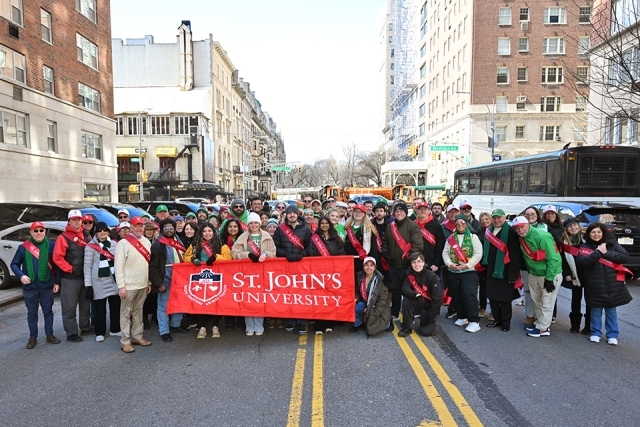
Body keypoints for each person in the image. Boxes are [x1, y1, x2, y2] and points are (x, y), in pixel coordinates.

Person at [576, 223, 632, 345]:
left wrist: (605, 252)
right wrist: (598, 253)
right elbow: (582, 262)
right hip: (595, 284)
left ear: (603, 233)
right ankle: (596, 333)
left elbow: (624, 257)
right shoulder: (584, 247)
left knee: (611, 311)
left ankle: (612, 335)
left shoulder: (612, 245)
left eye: (599, 232)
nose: (596, 234)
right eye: (593, 232)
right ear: (589, 234)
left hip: (613, 284)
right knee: (596, 310)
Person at [10, 222, 61, 349]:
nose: (39, 233)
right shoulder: (23, 247)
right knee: (32, 313)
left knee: (48, 311)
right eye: (36, 231)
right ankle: (33, 337)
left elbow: (56, 266)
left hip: (46, 285)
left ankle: (49, 335)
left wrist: (57, 282)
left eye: (41, 230)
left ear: (44, 231)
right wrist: (21, 275)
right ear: (31, 232)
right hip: (30, 287)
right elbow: (14, 264)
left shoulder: (51, 246)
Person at [511, 216, 562, 338]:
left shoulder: (542, 236)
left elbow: (553, 258)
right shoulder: (522, 238)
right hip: (534, 274)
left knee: (547, 302)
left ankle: (544, 329)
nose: (520, 230)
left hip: (549, 274)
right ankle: (539, 323)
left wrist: (549, 278)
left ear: (528, 224)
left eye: (522, 226)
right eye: (517, 228)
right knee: (537, 301)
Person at [231, 212, 277, 336]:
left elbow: (273, 252)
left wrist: (266, 254)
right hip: (246, 273)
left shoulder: (266, 235)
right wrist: (248, 255)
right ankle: (249, 326)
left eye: (256, 222)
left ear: (260, 223)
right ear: (248, 224)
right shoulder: (243, 237)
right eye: (251, 223)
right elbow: (234, 253)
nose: (254, 225)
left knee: (259, 299)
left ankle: (259, 325)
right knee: (248, 299)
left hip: (262, 272)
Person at [184, 222, 232, 339]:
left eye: (209, 231)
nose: (207, 233)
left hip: (216, 277)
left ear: (214, 232)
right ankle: (202, 327)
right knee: (201, 301)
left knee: (215, 301)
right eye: (204, 231)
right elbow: (186, 257)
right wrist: (192, 259)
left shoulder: (221, 244)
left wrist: (216, 257)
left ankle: (215, 325)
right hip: (200, 277)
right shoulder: (195, 245)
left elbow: (228, 259)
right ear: (201, 233)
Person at [115, 216, 153, 353]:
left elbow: (147, 264)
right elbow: (118, 266)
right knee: (125, 314)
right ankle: (125, 341)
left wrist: (148, 281)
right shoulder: (123, 243)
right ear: (131, 227)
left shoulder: (147, 242)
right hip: (129, 285)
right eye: (136, 226)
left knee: (138, 311)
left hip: (142, 284)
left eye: (141, 226)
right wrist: (121, 286)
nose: (138, 228)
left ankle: (137, 336)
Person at [53, 209, 92, 342]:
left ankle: (85, 327)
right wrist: (70, 269)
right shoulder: (63, 237)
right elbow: (57, 258)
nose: (77, 222)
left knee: (85, 304)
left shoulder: (87, 235)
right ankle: (71, 333)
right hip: (70, 278)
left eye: (79, 219)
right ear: (69, 221)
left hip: (85, 276)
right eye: (74, 219)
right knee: (69, 307)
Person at [481, 209, 523, 331]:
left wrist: (512, 273)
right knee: (493, 297)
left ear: (504, 218)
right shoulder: (489, 231)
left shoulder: (511, 232)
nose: (497, 220)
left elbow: (515, 255)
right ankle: (497, 320)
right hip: (491, 269)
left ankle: (505, 323)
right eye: (494, 218)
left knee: (505, 299)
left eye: (499, 217)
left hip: (505, 270)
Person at [381, 202, 423, 320]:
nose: (399, 213)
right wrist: (385, 253)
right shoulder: (390, 226)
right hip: (393, 265)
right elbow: (385, 242)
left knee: (409, 291)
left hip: (406, 265)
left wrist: (410, 260)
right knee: (395, 290)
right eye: (397, 211)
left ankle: (412, 313)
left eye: (401, 211)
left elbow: (417, 246)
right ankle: (395, 312)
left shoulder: (413, 226)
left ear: (406, 212)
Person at [149, 218, 189, 343]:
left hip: (180, 277)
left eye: (171, 228)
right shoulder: (158, 244)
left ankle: (175, 325)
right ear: (162, 229)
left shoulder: (178, 240)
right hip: (165, 278)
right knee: (164, 306)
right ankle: (164, 331)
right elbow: (153, 267)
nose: (169, 230)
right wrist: (158, 283)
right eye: (166, 228)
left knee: (180, 303)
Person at [273, 204, 312, 334]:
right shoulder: (280, 229)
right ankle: (289, 320)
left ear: (298, 214)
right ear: (286, 215)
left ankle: (302, 322)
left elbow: (309, 246)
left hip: (301, 265)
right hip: (286, 265)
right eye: (289, 213)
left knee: (301, 295)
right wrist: (285, 254)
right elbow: (275, 247)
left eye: (294, 213)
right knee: (288, 294)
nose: (292, 215)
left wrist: (302, 254)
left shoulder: (305, 229)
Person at [442, 214, 483, 333]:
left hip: (468, 271)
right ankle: (462, 316)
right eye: (458, 223)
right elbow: (445, 253)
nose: (460, 225)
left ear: (467, 224)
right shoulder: (450, 238)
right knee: (457, 295)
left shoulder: (473, 237)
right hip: (453, 271)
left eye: (463, 223)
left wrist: (468, 265)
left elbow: (478, 253)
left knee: (469, 295)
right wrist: (450, 264)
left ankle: (474, 321)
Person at [306, 216, 346, 334]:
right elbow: (310, 255)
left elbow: (342, 254)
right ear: (319, 225)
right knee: (320, 300)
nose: (324, 225)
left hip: (333, 274)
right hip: (319, 274)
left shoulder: (336, 239)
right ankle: (319, 325)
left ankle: (330, 323)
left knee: (331, 299)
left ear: (330, 225)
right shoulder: (314, 239)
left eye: (326, 223)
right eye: (322, 223)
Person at [83, 221, 120, 342]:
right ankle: (100, 332)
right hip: (98, 282)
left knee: (116, 307)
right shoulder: (90, 247)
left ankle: (115, 329)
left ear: (108, 231)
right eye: (99, 230)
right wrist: (88, 286)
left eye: (104, 230)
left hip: (113, 280)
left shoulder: (115, 244)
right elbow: (87, 267)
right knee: (100, 310)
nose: (102, 232)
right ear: (96, 233)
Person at [398, 252, 443, 337]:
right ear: (411, 264)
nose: (416, 264)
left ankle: (430, 322)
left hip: (429, 306)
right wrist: (416, 295)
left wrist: (429, 318)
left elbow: (437, 300)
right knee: (406, 299)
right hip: (418, 301)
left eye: (419, 261)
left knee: (425, 332)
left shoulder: (432, 277)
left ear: (423, 262)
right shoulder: (410, 275)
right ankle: (407, 327)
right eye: (414, 262)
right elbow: (404, 289)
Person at [560, 217, 590, 334]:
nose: (573, 228)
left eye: (575, 225)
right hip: (574, 274)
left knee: (589, 301)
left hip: (587, 273)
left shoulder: (587, 237)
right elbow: (562, 260)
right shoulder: (564, 241)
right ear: (566, 229)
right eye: (570, 226)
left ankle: (588, 326)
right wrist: (566, 273)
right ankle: (575, 325)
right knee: (576, 300)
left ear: (578, 225)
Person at [351, 257, 392, 336]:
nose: (369, 267)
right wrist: (356, 299)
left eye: (371, 265)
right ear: (363, 267)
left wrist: (371, 314)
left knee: (371, 330)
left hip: (376, 306)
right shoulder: (360, 278)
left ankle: (388, 322)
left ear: (375, 267)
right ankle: (359, 324)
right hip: (365, 303)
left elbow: (381, 302)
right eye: (366, 265)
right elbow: (357, 292)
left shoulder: (380, 282)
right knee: (354, 306)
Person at [344, 204, 379, 273]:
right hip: (349, 261)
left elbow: (373, 248)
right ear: (352, 213)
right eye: (356, 211)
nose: (358, 214)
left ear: (364, 214)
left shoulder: (369, 229)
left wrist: (371, 263)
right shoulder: (346, 227)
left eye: (360, 212)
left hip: (363, 261)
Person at [413, 202, 445, 273]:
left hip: (432, 265)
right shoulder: (413, 225)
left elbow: (440, 246)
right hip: (415, 263)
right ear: (417, 211)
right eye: (420, 209)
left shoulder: (436, 226)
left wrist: (436, 263)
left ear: (429, 211)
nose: (422, 211)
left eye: (425, 209)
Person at [475, 212, 491, 318]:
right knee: (483, 287)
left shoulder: (495, 230)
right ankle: (483, 307)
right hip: (481, 263)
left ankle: (494, 310)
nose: (485, 221)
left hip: (492, 262)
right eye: (482, 219)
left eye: (486, 219)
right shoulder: (478, 232)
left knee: (493, 287)